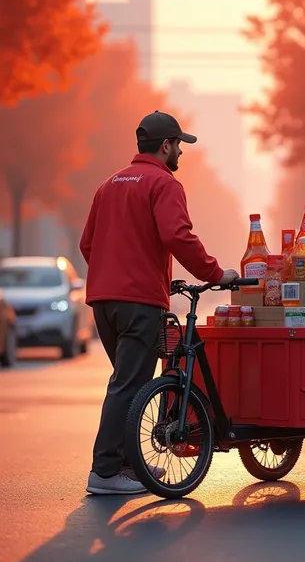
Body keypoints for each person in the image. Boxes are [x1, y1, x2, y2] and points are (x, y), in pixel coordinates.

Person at [80, 110, 239, 495]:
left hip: (104, 302)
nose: (181, 154)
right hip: (138, 303)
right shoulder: (163, 183)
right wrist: (216, 275)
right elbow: (178, 235)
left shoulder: (109, 184)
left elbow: (88, 244)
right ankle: (104, 473)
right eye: (179, 146)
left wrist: (113, 275)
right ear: (165, 145)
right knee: (129, 384)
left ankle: (126, 466)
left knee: (129, 384)